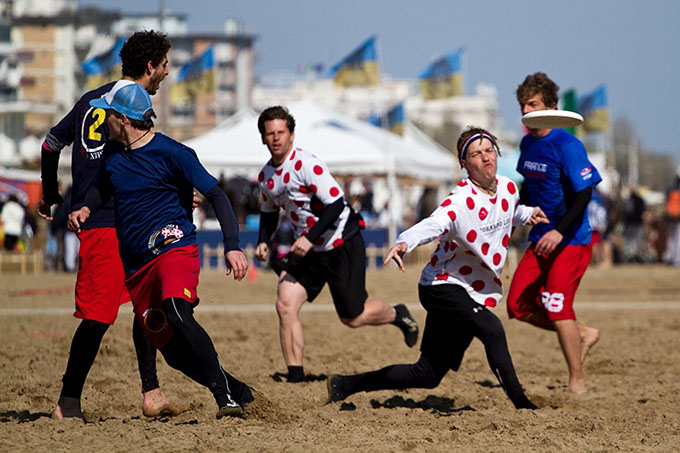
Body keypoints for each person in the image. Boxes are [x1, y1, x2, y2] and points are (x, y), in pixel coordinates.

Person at [68, 81, 254, 419]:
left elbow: (216, 195)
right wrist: (85, 208)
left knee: (176, 309)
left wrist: (233, 247)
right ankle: (238, 389)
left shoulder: (174, 153)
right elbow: (101, 186)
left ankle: (225, 399)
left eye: (107, 115)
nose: (103, 121)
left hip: (173, 247)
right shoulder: (112, 155)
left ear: (123, 119)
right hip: (137, 265)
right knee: (172, 352)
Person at [327, 127, 547, 409]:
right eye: (476, 154)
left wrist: (528, 214)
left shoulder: (508, 188)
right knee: (492, 328)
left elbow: (508, 211)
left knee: (427, 375)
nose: (485, 158)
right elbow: (435, 223)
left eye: (489, 150)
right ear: (464, 164)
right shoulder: (459, 200)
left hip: (474, 293)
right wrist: (405, 241)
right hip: (442, 286)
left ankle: (347, 384)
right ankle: (522, 403)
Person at [38, 30, 179, 421]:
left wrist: (51, 194)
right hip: (106, 220)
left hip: (130, 219)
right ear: (150, 67)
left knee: (147, 307)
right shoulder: (130, 109)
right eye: (165, 65)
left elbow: (51, 143)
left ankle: (151, 392)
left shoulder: (88, 100)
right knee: (99, 317)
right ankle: (67, 402)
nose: (168, 72)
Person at [254, 106, 419, 383]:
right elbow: (269, 212)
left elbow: (336, 205)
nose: (275, 138)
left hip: (342, 241)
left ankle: (398, 314)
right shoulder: (266, 177)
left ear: (292, 135)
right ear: (263, 138)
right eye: (269, 133)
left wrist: (308, 237)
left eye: (281, 132)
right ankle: (295, 376)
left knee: (353, 317)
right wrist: (262, 240)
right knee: (285, 302)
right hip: (309, 250)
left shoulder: (307, 165)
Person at [507, 72, 601, 395]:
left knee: (559, 305)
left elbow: (584, 195)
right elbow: (528, 190)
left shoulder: (568, 144)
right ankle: (582, 334)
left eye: (532, 104)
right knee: (517, 305)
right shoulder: (527, 143)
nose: (525, 111)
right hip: (540, 239)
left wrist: (559, 232)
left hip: (571, 240)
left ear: (549, 106)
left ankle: (577, 380)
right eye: (522, 105)